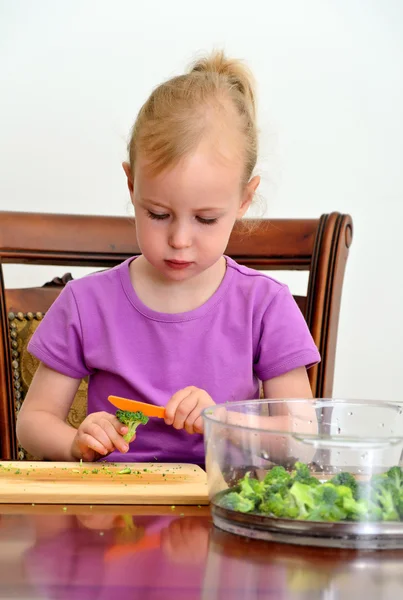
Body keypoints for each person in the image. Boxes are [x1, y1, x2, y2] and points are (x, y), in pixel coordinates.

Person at [16, 51, 320, 465]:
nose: (179, 239)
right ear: (131, 183)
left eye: (206, 219)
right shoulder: (85, 303)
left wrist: (223, 419)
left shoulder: (264, 305)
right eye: (158, 214)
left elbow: (302, 435)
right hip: (113, 514)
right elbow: (33, 422)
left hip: (219, 509)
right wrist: (74, 441)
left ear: (245, 199)